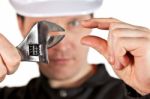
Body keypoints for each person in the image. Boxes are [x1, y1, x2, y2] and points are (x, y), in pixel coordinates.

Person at [0, 0, 150, 98]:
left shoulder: (137, 93)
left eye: (75, 23)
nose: (62, 45)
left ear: (92, 23)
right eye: (44, 27)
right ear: (21, 25)